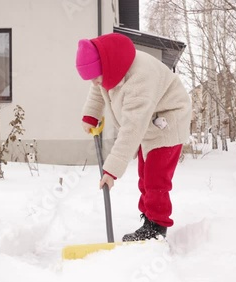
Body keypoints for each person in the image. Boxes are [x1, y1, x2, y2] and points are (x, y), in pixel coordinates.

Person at [75, 33, 192, 241]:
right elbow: (97, 90)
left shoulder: (140, 77)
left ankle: (156, 227)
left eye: (95, 77)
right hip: (149, 122)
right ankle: (149, 217)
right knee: (145, 177)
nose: (94, 83)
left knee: (156, 179)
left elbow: (132, 128)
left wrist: (110, 170)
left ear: (106, 67)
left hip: (168, 121)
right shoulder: (110, 68)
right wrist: (91, 114)